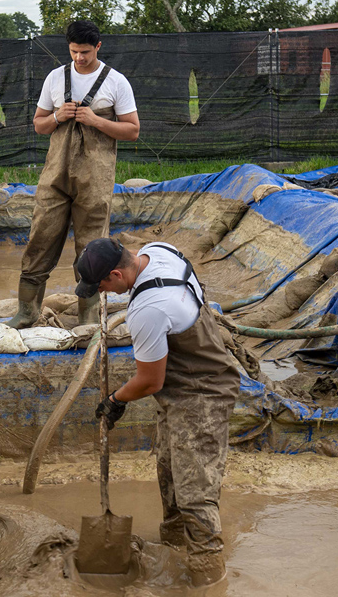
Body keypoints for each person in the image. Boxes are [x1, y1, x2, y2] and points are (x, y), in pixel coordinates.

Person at [75, 237, 240, 588]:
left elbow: (150, 381)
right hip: (180, 389)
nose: (101, 292)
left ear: (117, 274)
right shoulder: (159, 251)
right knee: (169, 473)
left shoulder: (148, 310)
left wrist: (115, 400)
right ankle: (174, 551)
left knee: (195, 491)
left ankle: (208, 578)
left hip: (202, 395)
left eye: (102, 285)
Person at [7, 20, 140, 329]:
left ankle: (89, 318)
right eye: (74, 51)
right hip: (55, 178)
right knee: (40, 239)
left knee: (92, 249)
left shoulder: (116, 81)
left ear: (98, 47)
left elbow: (132, 130)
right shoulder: (55, 78)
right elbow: (39, 125)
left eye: (85, 52)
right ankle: (27, 311)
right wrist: (57, 115)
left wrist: (95, 120)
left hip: (95, 181)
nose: (80, 58)